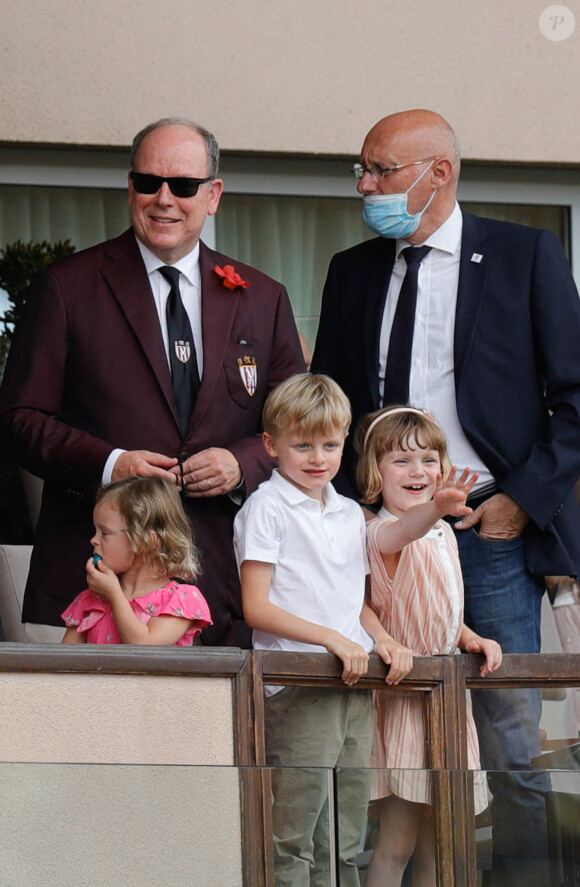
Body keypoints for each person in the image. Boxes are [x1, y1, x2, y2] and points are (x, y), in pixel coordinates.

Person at [311, 108, 580, 886]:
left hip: (488, 532)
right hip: (385, 540)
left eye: (382, 170)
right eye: (360, 169)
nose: (366, 186)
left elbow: (574, 397)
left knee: (507, 740)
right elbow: (333, 402)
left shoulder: (526, 254)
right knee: (383, 729)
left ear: (440, 172)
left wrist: (520, 502)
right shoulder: (352, 270)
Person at [0, 117, 304, 646]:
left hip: (224, 587)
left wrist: (243, 461)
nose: (164, 199)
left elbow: (299, 425)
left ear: (213, 196)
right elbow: (18, 421)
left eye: (183, 186)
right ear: (129, 187)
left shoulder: (262, 296)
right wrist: (112, 464)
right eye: (148, 183)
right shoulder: (68, 287)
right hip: (93, 591)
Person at [233, 373, 413, 887]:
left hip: (353, 683)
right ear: (271, 445)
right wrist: (330, 639)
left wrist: (382, 638)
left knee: (345, 830)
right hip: (298, 683)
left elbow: (352, 605)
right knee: (295, 834)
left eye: (330, 445)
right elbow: (255, 607)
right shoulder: (265, 508)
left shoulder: (348, 513)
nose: (317, 457)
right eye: (302, 444)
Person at [357, 406, 502, 887]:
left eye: (427, 459)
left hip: (447, 698)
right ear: (375, 474)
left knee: (442, 842)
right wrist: (436, 507)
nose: (417, 471)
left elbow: (444, 607)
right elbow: (406, 530)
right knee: (397, 842)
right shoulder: (381, 531)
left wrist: (471, 637)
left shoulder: (443, 533)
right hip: (405, 698)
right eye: (400, 461)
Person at [62, 476, 211, 645]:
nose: (93, 540)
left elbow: (144, 647)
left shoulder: (181, 599)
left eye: (105, 533)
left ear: (147, 541)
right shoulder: (91, 600)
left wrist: (114, 595)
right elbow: (64, 662)